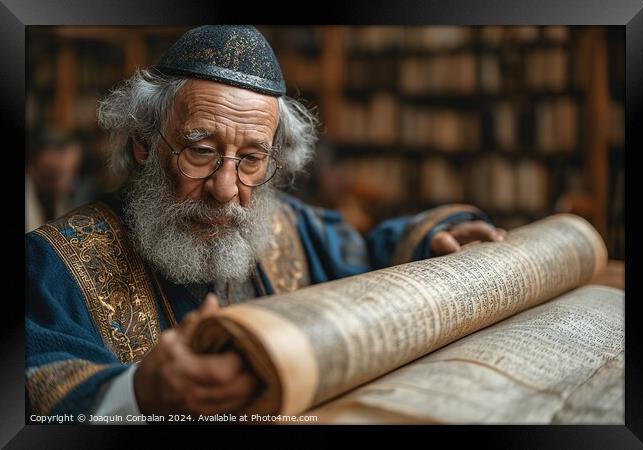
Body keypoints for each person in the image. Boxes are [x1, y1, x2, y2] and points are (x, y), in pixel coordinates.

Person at [25, 25, 506, 420]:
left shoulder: (287, 226)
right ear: (143, 144)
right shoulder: (52, 262)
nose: (227, 190)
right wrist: (137, 392)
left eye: (252, 159)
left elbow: (372, 250)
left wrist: (434, 239)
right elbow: (34, 385)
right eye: (201, 150)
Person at [25, 127, 84, 232]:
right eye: (64, 173)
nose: (70, 184)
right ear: (46, 156)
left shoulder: (58, 197)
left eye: (74, 172)